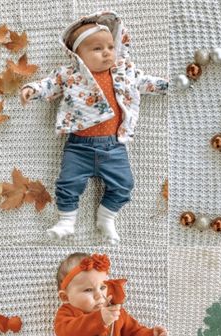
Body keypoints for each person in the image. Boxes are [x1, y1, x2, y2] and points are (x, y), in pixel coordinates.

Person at [21, 13, 167, 243]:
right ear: (77, 55)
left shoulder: (124, 71)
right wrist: (33, 90)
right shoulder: (70, 74)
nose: (108, 52)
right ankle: (66, 222)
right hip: (78, 147)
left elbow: (145, 82)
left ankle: (106, 218)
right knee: (67, 184)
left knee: (124, 185)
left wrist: (167, 85)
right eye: (98, 49)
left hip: (113, 147)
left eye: (111, 46)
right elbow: (49, 84)